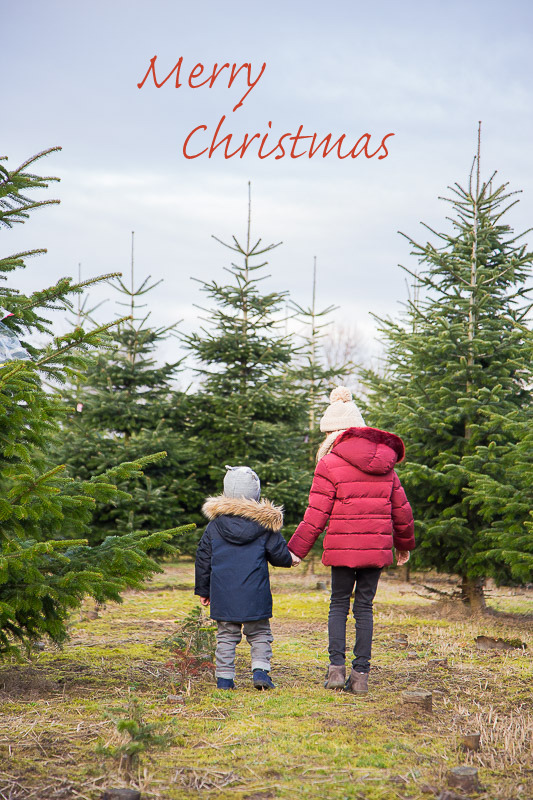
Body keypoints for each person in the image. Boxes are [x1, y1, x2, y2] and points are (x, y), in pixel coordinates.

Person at [287, 387, 415, 694]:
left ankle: (335, 672)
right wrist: (404, 545)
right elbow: (402, 508)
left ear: (331, 433)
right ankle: (360, 678)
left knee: (338, 605)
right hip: (377, 550)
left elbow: (316, 513)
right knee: (365, 608)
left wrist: (296, 550)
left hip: (342, 550)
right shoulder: (387, 464)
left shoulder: (328, 464)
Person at [195, 465, 295, 690]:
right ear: (256, 494)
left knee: (226, 636)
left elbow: (203, 558)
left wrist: (203, 590)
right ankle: (260, 672)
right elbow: (278, 554)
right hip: (255, 593)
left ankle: (224, 679)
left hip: (223, 594)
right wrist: (290, 560)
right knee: (259, 633)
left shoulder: (215, 526)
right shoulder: (266, 525)